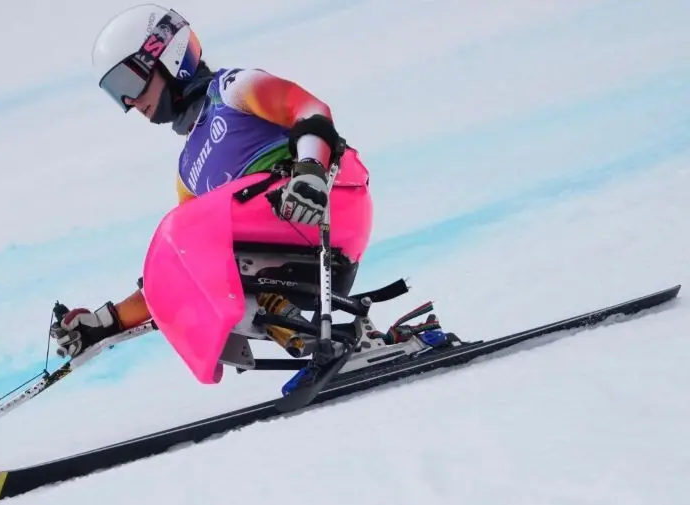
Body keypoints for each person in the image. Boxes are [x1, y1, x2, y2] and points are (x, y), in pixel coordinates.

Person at [50, 4, 451, 360]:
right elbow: (179, 267)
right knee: (193, 274)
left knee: (182, 234)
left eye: (129, 83)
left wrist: (310, 171)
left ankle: (292, 321)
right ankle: (352, 339)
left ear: (165, 55)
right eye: (117, 95)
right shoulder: (188, 169)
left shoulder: (232, 89)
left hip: (323, 200)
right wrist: (106, 322)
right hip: (282, 247)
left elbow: (308, 108)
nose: (130, 103)